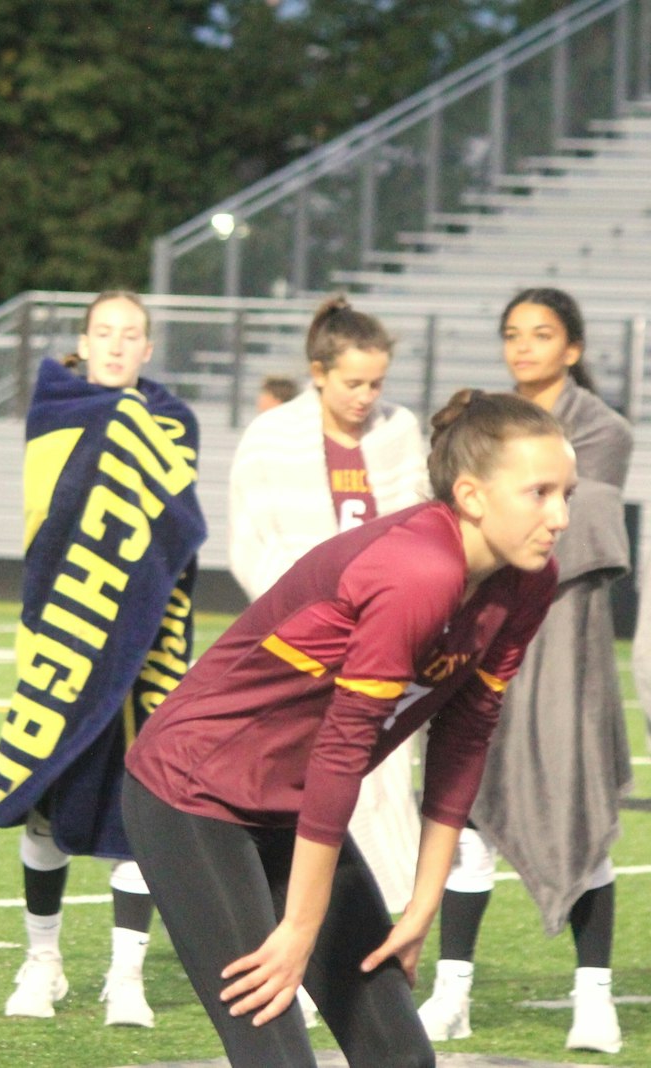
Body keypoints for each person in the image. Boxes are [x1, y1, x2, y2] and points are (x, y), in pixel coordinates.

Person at [124, 388, 572, 1068]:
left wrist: (423, 903)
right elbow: (342, 749)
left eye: (566, 492)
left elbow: (464, 733)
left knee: (401, 1057)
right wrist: (300, 927)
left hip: (292, 809)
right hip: (192, 794)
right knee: (275, 1054)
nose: (560, 515)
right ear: (473, 495)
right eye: (539, 492)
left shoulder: (529, 581)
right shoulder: (419, 570)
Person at [417, 287, 632, 1055]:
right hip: (486, 635)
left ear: (572, 348)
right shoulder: (489, 422)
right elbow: (454, 511)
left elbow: (572, 529)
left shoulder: (602, 429)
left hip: (565, 645)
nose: (524, 348)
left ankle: (594, 1000)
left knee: (580, 819)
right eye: (512, 334)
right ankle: (452, 995)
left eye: (541, 335)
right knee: (466, 816)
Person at [0, 291, 207, 1028]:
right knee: (44, 805)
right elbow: (46, 523)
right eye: (103, 333)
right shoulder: (54, 408)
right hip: (60, 634)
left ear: (148, 349)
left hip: (142, 646)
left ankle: (127, 975)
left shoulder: (173, 422)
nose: (116, 345)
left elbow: (173, 532)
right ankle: (42, 962)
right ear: (83, 342)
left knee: (134, 813)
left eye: (130, 335)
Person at [229, 296, 430, 925]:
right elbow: (250, 542)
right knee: (304, 790)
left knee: (388, 790)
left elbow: (423, 530)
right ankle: (303, 941)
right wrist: (304, 623)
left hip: (384, 644)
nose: (366, 396)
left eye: (376, 383)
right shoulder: (271, 437)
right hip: (302, 650)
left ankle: (387, 940)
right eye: (352, 383)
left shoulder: (400, 432)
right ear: (318, 372)